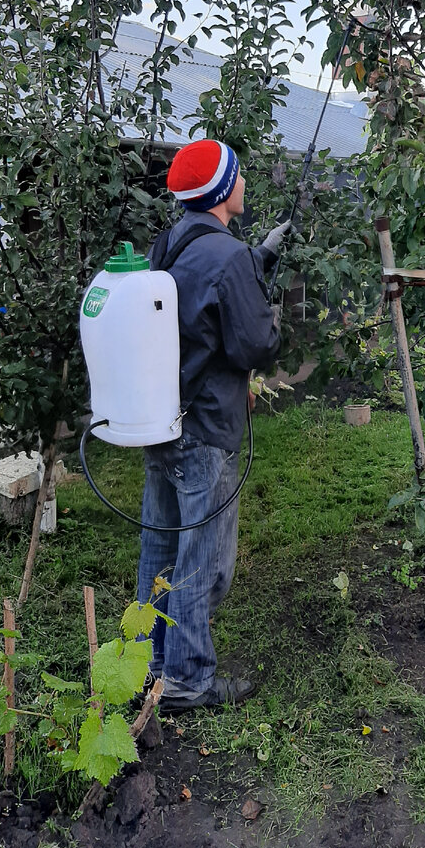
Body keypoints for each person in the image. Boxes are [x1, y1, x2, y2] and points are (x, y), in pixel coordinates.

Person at [136, 138, 289, 713]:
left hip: (162, 419)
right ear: (224, 191)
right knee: (205, 559)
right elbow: (256, 344)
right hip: (205, 430)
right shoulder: (230, 257)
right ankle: (187, 678)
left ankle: (149, 663)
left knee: (161, 547)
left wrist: (257, 263)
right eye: (240, 175)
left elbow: (197, 310)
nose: (245, 182)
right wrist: (262, 293)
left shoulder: (171, 241)